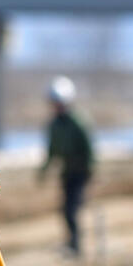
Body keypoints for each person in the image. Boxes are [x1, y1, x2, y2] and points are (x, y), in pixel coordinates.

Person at [38, 76, 94, 256]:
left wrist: (88, 171)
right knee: (66, 210)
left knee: (71, 210)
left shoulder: (77, 122)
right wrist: (44, 171)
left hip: (79, 173)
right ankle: (72, 243)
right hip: (67, 173)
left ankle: (76, 246)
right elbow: (52, 151)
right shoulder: (54, 125)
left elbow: (88, 149)